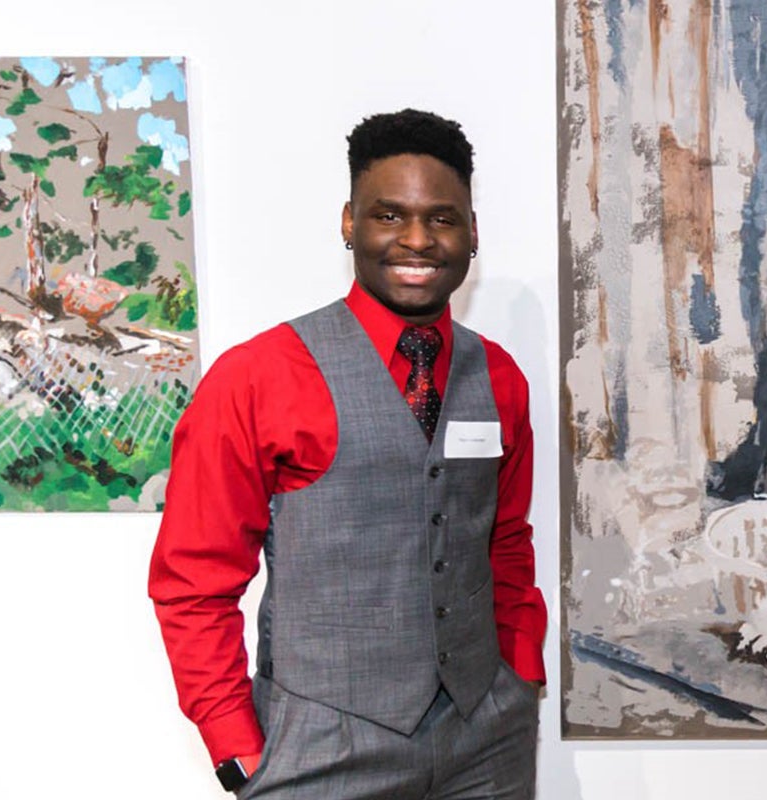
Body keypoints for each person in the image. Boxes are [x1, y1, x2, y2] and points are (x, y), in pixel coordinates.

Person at [149, 108, 547, 799]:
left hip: (486, 741)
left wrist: (520, 670)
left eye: (443, 218)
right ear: (348, 223)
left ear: (473, 233)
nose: (417, 240)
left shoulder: (501, 377)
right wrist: (234, 741)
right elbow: (194, 580)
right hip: (319, 750)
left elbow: (505, 538)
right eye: (389, 216)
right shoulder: (257, 377)